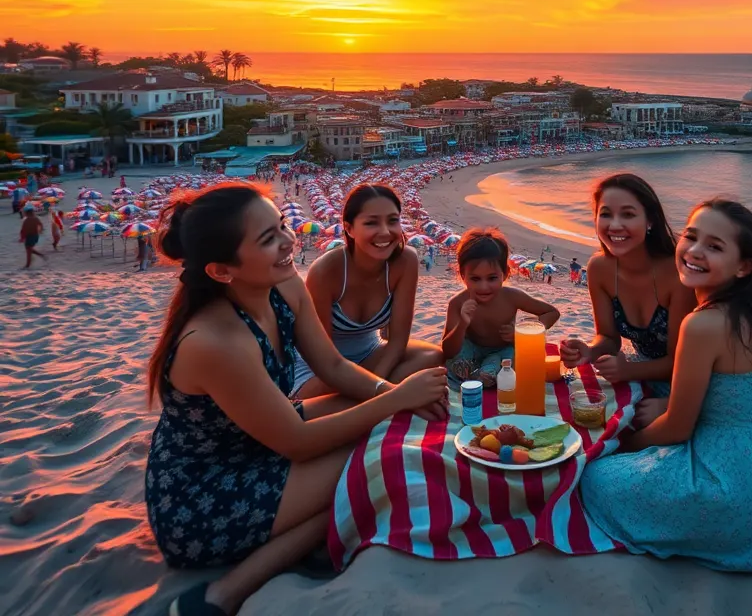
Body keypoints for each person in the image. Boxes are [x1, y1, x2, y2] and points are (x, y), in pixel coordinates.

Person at [145, 182, 448, 616]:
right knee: (366, 458)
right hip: (205, 494)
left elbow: (336, 369)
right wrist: (397, 400)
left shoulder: (283, 287)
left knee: (374, 432)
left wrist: (390, 394)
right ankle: (225, 593)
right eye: (268, 238)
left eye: (282, 225)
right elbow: (297, 443)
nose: (290, 241)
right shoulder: (215, 340)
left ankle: (310, 531)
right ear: (221, 270)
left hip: (258, 441)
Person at [580, 198, 752, 574]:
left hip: (729, 497)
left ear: (745, 266)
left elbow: (676, 428)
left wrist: (618, 449)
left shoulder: (703, 324)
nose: (695, 252)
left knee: (595, 480)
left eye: (714, 247)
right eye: (691, 237)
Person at [290, 184, 442, 401]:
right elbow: (322, 356)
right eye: (371, 223)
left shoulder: (405, 261)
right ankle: (378, 398)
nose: (385, 232)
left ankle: (367, 400)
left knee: (433, 356)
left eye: (393, 220)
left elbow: (398, 341)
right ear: (349, 228)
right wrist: (383, 390)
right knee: (329, 395)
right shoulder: (326, 271)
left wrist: (377, 385)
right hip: (321, 368)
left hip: (369, 352)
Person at [560, 173, 695, 409]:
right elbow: (609, 339)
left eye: (628, 214)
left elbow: (681, 361)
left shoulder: (677, 274)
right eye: (605, 214)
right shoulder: (599, 268)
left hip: (690, 384)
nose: (614, 225)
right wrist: (590, 352)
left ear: (650, 221)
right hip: (643, 377)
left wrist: (628, 370)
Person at [442, 228, 560, 386]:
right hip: (472, 351)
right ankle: (483, 374)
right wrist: (462, 324)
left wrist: (522, 333)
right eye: (475, 279)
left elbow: (551, 312)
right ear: (463, 276)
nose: (484, 287)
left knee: (514, 356)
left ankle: (485, 374)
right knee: (455, 359)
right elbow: (448, 350)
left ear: (505, 273)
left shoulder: (511, 297)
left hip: (503, 351)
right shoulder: (457, 303)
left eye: (492, 278)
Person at [19, 204, 46, 268]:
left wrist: (22, 238)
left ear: (26, 213)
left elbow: (23, 230)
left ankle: (27, 265)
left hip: (29, 236)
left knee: (28, 251)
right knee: (29, 249)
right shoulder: (36, 218)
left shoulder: (26, 220)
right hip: (35, 236)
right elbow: (41, 224)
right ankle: (40, 255)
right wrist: (41, 230)